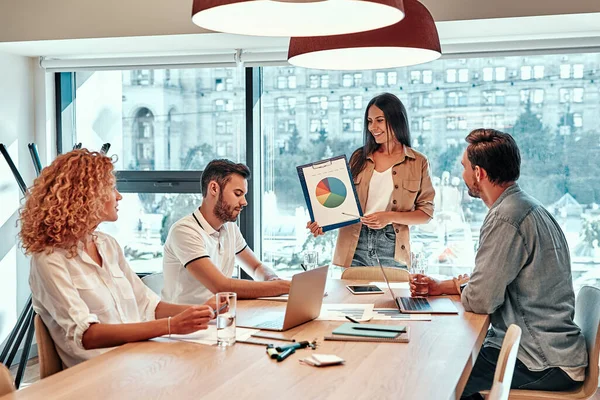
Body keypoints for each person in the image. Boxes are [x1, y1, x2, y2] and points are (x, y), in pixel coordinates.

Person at [409, 129, 588, 399]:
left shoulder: (506, 218)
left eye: (464, 168)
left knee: (439, 377)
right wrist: (448, 285)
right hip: (553, 351)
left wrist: (459, 286)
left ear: (479, 173)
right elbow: (494, 283)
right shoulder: (528, 207)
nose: (462, 175)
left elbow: (481, 299)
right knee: (450, 362)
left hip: (539, 360)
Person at [20, 149, 216, 368]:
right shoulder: (49, 259)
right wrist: (170, 326)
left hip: (139, 359)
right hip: (99, 374)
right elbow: (87, 335)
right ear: (86, 196)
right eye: (112, 188)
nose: (119, 196)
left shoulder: (108, 245)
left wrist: (203, 312)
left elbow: (148, 305)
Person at [307, 92, 435, 268]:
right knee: (348, 295)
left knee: (392, 296)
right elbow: (340, 201)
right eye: (369, 121)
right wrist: (323, 222)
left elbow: (426, 214)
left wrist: (388, 217)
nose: (372, 127)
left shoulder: (418, 162)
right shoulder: (359, 157)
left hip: (392, 245)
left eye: (379, 120)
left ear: (396, 120)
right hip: (353, 243)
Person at [162, 159, 290, 305]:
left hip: (219, 317)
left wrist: (271, 279)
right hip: (187, 323)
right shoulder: (185, 231)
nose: (244, 202)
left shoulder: (229, 228)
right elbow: (221, 286)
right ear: (214, 189)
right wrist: (285, 286)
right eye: (238, 194)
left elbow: (256, 267)